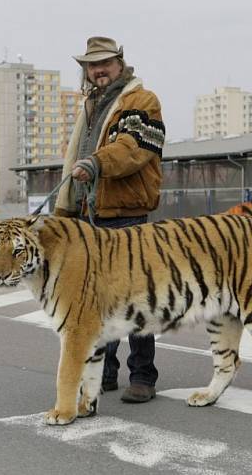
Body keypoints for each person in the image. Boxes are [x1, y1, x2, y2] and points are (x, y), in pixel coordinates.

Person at [54, 36, 165, 404]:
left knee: (137, 299)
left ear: (120, 63)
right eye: (91, 64)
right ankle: (107, 373)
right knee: (99, 303)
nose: (98, 70)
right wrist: (66, 210)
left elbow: (134, 149)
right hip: (91, 216)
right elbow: (78, 159)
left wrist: (96, 163)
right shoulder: (92, 104)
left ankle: (143, 377)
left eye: (104, 62)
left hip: (128, 215)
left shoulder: (141, 101)